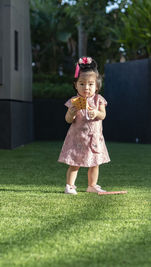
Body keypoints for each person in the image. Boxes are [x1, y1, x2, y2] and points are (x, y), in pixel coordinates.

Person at [58, 57, 110, 195]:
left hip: (94, 138)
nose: (86, 87)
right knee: (74, 163)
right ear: (76, 85)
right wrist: (71, 112)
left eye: (90, 84)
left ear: (97, 86)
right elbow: (68, 120)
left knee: (95, 163)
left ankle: (92, 185)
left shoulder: (99, 100)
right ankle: (69, 186)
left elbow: (103, 115)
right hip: (78, 138)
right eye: (82, 84)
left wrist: (96, 113)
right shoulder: (73, 102)